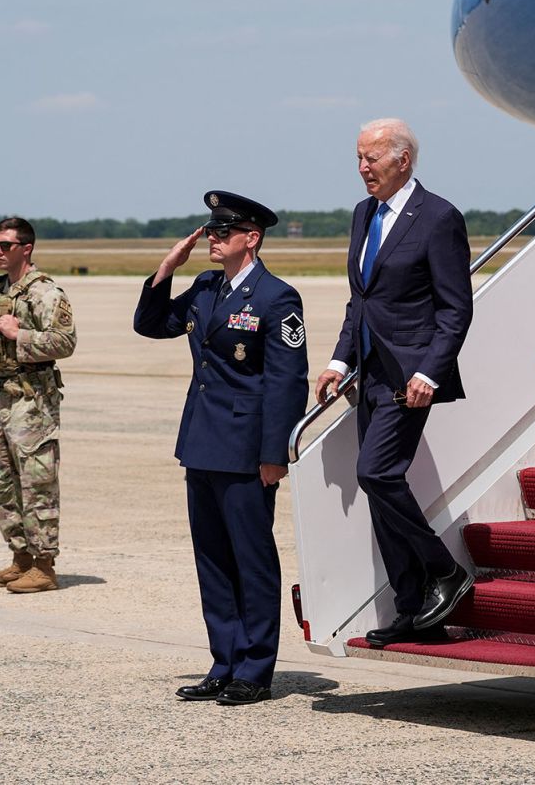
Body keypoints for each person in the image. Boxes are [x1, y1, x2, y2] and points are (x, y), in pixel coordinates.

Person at [134, 191, 308, 706]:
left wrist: (275, 453)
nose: (213, 238)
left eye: (223, 231)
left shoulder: (277, 297)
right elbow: (152, 324)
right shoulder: (206, 286)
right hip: (202, 443)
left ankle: (255, 669)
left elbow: (286, 381)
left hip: (247, 449)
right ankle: (224, 661)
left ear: (250, 238)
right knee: (212, 559)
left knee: (251, 560)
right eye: (210, 231)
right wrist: (166, 268)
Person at [314, 118, 474, 648]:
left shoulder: (439, 218)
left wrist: (431, 370)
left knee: (376, 474)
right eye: (358, 159)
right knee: (377, 489)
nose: (363, 169)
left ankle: (445, 571)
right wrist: (339, 361)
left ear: (403, 160)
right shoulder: (364, 215)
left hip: (410, 375)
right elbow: (359, 300)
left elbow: (455, 309)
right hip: (370, 372)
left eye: (372, 159)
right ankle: (416, 611)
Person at [0, 217, 76, 594]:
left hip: (33, 400)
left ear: (26, 248)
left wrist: (21, 335)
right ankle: (22, 558)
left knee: (37, 483)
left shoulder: (46, 292)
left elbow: (65, 342)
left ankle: (44, 565)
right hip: (2, 395)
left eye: (6, 245)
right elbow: (0, 345)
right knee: (2, 484)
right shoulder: (1, 289)